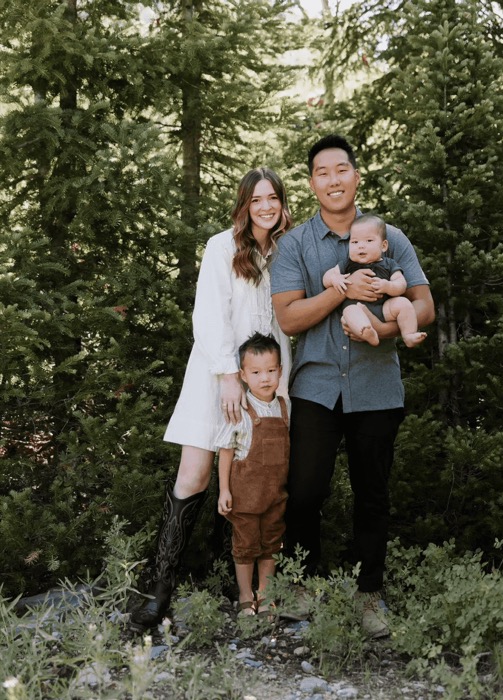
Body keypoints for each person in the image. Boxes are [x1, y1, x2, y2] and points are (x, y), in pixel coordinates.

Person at [270, 134, 435, 638]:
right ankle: (302, 585)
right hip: (316, 384)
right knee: (304, 492)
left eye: (341, 169)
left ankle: (369, 595)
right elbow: (289, 317)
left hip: (376, 385)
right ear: (312, 184)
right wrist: (343, 292)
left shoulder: (388, 236)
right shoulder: (295, 244)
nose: (333, 180)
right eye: (322, 173)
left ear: (356, 177)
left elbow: (424, 305)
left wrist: (382, 327)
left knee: (373, 494)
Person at [129, 168, 292, 632]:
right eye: (256, 199)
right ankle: (159, 588)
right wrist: (227, 375)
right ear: (244, 204)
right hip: (217, 377)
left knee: (249, 472)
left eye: (273, 198)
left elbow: (284, 321)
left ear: (282, 203)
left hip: (265, 381)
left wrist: (279, 384)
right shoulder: (222, 246)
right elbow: (209, 315)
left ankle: (229, 577)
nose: (265, 206)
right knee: (195, 472)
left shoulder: (286, 251)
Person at [216, 332, 289, 618]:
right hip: (245, 496)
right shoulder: (241, 409)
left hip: (275, 494)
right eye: (256, 372)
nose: (265, 378)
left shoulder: (284, 407)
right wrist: (224, 490)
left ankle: (265, 594)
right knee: (245, 545)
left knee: (271, 543)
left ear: (280, 371)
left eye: (271, 370)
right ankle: (246, 596)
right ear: (244, 375)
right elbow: (225, 450)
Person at [323, 213, 427, 347]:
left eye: (369, 241)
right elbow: (327, 277)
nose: (361, 246)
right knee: (349, 312)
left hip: (384, 308)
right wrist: (335, 279)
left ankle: (409, 335)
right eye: (354, 242)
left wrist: (388, 286)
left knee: (403, 303)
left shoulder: (389, 264)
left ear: (383, 246)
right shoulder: (348, 264)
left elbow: (401, 284)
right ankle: (367, 331)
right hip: (358, 308)